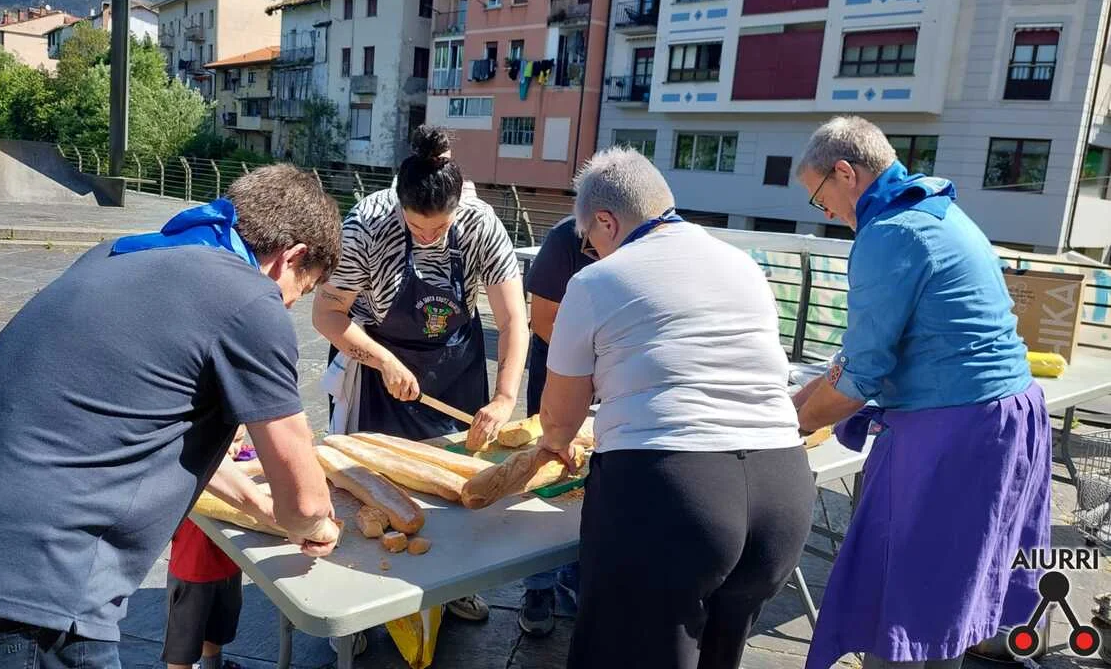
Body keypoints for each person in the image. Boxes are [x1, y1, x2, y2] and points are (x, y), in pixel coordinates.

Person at [0, 165, 343, 668]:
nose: (290, 303)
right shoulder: (248, 296)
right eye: (302, 289)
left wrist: (260, 507)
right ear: (292, 257)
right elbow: (306, 500)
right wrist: (315, 525)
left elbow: (140, 434)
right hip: (18, 606)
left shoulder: (121, 253)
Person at [538, 147, 815, 669]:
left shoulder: (596, 281)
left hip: (673, 493)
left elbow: (558, 420)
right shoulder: (742, 263)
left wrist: (555, 444)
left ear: (606, 220)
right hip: (782, 490)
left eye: (591, 239)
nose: (593, 251)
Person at [792, 116, 1049, 669]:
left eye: (819, 197)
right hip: (1007, 416)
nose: (826, 213)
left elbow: (860, 377)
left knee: (906, 594)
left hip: (958, 429)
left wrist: (793, 424)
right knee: (951, 589)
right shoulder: (937, 209)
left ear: (845, 173)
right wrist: (797, 401)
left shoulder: (890, 233)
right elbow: (856, 355)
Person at [313, 125, 529, 624]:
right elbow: (327, 315)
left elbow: (514, 320)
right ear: (400, 204)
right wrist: (384, 361)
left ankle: (453, 585)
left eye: (440, 228)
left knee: (454, 481)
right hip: (376, 359)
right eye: (416, 227)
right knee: (370, 486)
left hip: (455, 364)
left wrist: (504, 397)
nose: (428, 238)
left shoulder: (480, 223)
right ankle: (358, 604)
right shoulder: (367, 224)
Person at [517, 215, 595, 637]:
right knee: (549, 478)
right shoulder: (566, 238)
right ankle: (539, 586)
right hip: (560, 371)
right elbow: (543, 319)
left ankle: (578, 575)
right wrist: (587, 371)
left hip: (612, 377)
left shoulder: (645, 239)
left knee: (592, 482)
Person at [164, 427, 252, 669]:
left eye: (238, 440)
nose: (233, 449)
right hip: (192, 573)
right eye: (227, 442)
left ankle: (212, 666)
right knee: (182, 647)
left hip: (228, 567)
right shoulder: (189, 468)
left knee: (216, 632)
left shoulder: (239, 460)